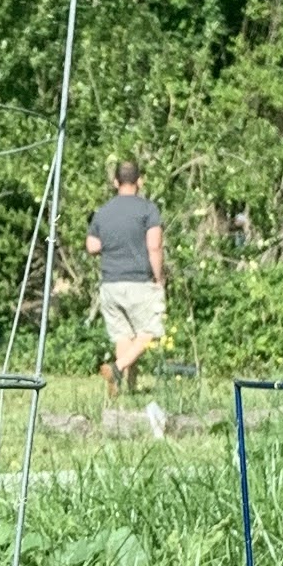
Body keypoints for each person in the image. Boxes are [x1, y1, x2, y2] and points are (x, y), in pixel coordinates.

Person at [84, 154, 168, 421]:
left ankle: (124, 390)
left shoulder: (103, 211)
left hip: (110, 283)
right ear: (140, 181)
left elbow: (92, 247)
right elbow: (154, 246)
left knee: (124, 337)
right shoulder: (148, 210)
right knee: (149, 333)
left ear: (115, 181)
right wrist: (159, 277)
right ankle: (117, 368)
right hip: (139, 281)